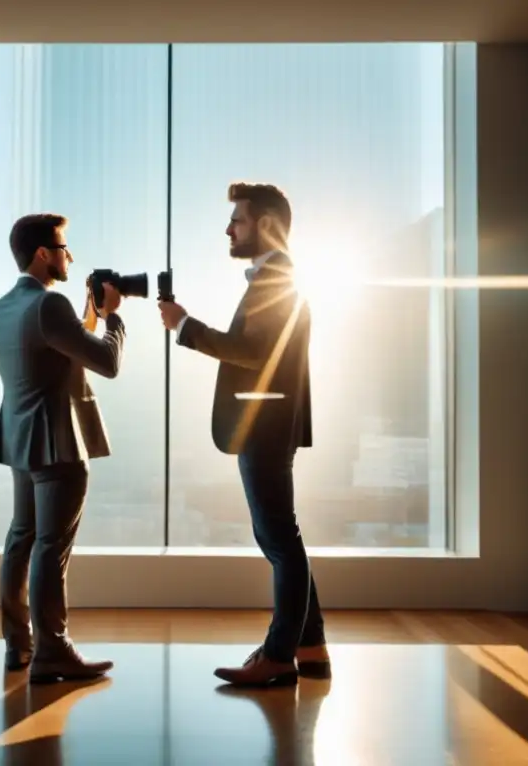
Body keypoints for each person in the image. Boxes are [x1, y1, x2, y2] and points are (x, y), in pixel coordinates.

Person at [158, 182, 329, 686]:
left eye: (238, 220)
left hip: (265, 421)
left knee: (279, 540)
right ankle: (311, 644)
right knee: (281, 536)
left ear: (266, 225)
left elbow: (253, 351)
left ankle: (278, 656)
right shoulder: (275, 277)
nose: (228, 229)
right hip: (269, 419)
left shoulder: (276, 279)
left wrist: (185, 325)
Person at [0, 212, 124, 683]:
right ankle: (53, 651)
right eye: (64, 248)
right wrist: (113, 318)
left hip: (21, 441)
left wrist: (86, 316)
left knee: (21, 538)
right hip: (59, 444)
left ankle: (17, 646)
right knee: (51, 547)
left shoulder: (0, 310)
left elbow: (57, 350)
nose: (69, 257)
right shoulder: (49, 306)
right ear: (43, 254)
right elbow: (105, 361)